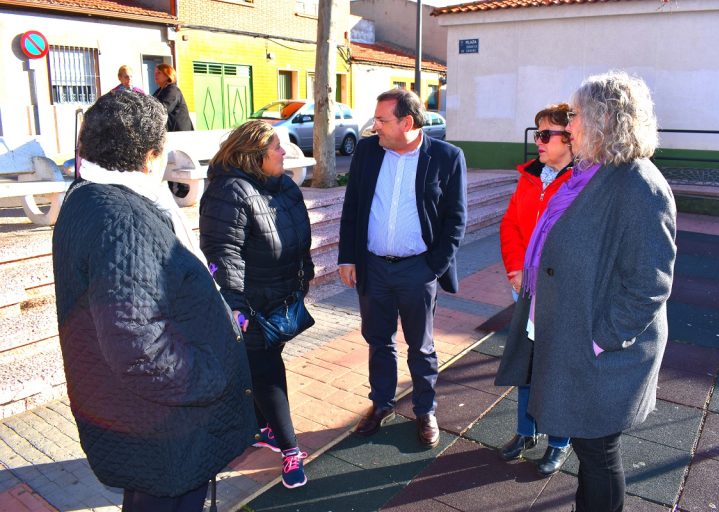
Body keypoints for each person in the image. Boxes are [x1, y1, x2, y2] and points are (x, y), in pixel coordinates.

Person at [51, 91, 256, 511]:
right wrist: (213, 375)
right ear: (149, 157)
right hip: (165, 426)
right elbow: (138, 346)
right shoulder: (124, 219)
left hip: (143, 419)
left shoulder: (89, 195)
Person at [495, 71, 676, 511]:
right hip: (575, 337)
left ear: (603, 119)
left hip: (604, 352)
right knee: (589, 449)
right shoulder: (590, 174)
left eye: (574, 116)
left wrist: (603, 339)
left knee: (598, 453)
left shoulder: (638, 185)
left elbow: (650, 285)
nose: (568, 125)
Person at [338, 88, 467, 447]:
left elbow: (456, 220)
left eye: (382, 120)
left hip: (418, 270)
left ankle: (425, 410)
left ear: (407, 122)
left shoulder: (446, 157)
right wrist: (348, 257)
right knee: (378, 341)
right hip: (373, 267)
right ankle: (381, 403)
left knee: (420, 346)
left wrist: (433, 267)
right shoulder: (367, 151)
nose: (374, 126)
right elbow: (353, 207)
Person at [198, 120, 314, 489]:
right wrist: (237, 306)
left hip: (281, 296)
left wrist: (304, 275)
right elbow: (223, 252)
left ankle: (259, 427)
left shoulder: (284, 186)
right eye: (276, 147)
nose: (284, 152)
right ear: (253, 155)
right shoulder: (228, 192)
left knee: (258, 366)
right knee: (267, 373)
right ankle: (290, 449)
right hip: (251, 304)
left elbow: (301, 234)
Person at [497, 103, 574, 475]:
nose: (538, 142)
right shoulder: (531, 176)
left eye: (546, 135)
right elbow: (510, 223)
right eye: (537, 134)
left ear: (570, 138)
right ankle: (525, 431)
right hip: (525, 284)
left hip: (559, 291)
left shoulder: (582, 182)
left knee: (555, 368)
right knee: (525, 361)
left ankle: (559, 440)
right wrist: (515, 269)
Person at [153, 63, 193, 198]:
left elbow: (163, 108)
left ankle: (182, 189)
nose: (155, 75)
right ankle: (173, 188)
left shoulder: (172, 90)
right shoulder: (159, 91)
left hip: (180, 133)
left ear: (167, 74)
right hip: (169, 134)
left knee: (179, 161)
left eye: (158, 73)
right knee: (169, 161)